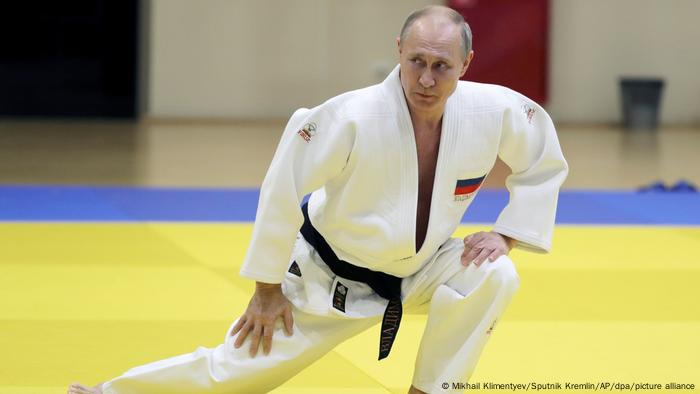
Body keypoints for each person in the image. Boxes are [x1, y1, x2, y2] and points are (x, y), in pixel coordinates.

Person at [68, 5, 567, 394]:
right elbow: (281, 189)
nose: (427, 79)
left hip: (419, 269)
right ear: (398, 50)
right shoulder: (348, 116)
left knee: (495, 272)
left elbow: (543, 157)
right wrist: (266, 290)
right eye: (417, 62)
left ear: (467, 63)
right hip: (330, 280)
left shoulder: (494, 110)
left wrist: (507, 233)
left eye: (442, 66)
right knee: (233, 375)